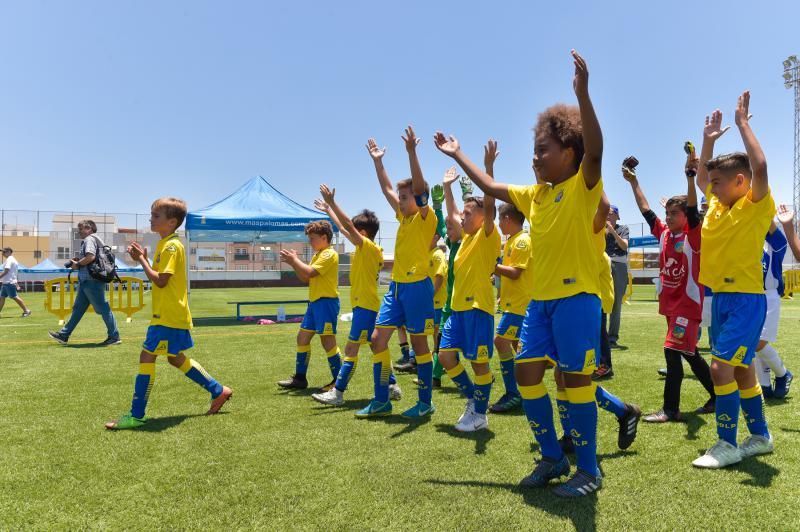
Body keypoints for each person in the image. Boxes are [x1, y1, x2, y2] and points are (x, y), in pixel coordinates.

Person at [435, 50, 605, 497]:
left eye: (543, 150)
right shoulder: (536, 195)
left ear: (570, 151)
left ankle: (588, 470)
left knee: (577, 382)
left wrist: (583, 95)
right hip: (540, 304)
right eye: (534, 151)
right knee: (528, 375)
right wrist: (459, 153)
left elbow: (597, 151)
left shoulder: (583, 184)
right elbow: (491, 187)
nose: (536, 158)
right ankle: (551, 457)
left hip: (578, 301)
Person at [692, 92, 775, 469]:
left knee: (719, 368)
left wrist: (743, 124)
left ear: (740, 182)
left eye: (718, 183)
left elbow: (760, 166)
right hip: (721, 299)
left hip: (745, 299)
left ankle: (725, 444)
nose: (711, 188)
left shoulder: (753, 206)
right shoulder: (716, 209)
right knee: (740, 369)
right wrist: (709, 139)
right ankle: (760, 437)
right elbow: (701, 178)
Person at [105, 197, 232, 429]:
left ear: (172, 222)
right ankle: (218, 390)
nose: (151, 219)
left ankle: (136, 415)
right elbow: (162, 278)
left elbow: (161, 281)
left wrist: (142, 260)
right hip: (171, 314)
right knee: (175, 358)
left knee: (147, 357)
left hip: (168, 316)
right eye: (151, 215)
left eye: (156, 216)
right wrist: (144, 259)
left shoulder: (172, 246)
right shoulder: (167, 244)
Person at [622, 153, 716, 423]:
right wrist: (633, 181)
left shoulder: (693, 236)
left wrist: (689, 177)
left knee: (672, 351)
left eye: (675, 213)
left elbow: (691, 210)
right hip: (670, 305)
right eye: (668, 213)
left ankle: (670, 409)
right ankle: (718, 396)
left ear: (686, 216)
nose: (669, 216)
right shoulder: (663, 233)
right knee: (689, 353)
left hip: (687, 305)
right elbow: (645, 209)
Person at [357, 127, 437, 419]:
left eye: (406, 197)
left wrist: (412, 152)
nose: (400, 200)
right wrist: (378, 162)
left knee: (419, 345)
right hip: (397, 288)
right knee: (377, 340)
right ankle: (382, 400)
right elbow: (386, 188)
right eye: (401, 197)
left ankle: (425, 402)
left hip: (418, 288)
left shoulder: (427, 218)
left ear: (420, 198)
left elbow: (417, 189)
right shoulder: (402, 219)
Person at [311, 185, 402, 405]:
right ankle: (391, 384)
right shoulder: (364, 248)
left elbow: (348, 227)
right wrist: (329, 211)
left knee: (352, 348)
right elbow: (344, 229)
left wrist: (333, 203)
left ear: (363, 233)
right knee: (375, 346)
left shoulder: (369, 247)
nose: (349, 234)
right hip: (366, 304)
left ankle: (338, 393)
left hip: (366, 307)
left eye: (355, 231)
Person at [436, 139, 501, 432]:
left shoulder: (488, 234)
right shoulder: (461, 241)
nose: (462, 215)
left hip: (479, 308)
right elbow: (451, 214)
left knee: (479, 365)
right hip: (458, 310)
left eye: (468, 212)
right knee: (446, 357)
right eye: (463, 212)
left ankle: (480, 415)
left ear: (484, 217)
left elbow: (489, 199)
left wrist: (488, 167)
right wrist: (448, 188)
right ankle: (475, 402)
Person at [277, 220, 342, 392]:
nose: (310, 242)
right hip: (315, 303)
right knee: (302, 338)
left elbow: (310, 272)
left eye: (313, 238)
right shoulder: (318, 254)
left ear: (324, 237)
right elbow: (306, 278)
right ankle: (300, 379)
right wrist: (293, 263)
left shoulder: (329, 254)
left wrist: (295, 260)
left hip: (326, 302)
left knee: (328, 341)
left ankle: (338, 382)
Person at [488, 202, 532, 413]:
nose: (498, 224)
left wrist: (491, 266)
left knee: (500, 341)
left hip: (519, 304)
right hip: (513, 303)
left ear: (507, 219)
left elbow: (515, 273)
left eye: (499, 219)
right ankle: (525, 391)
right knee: (518, 348)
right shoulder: (513, 241)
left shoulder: (522, 241)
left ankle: (514, 393)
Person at [48, 220, 120, 346]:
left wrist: (78, 264)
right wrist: (79, 261)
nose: (79, 231)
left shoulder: (89, 239)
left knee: (103, 308)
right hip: (89, 280)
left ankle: (114, 336)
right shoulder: (94, 239)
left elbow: (90, 257)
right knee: (78, 309)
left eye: (81, 229)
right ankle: (64, 335)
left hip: (91, 280)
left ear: (89, 228)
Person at [753, 221, 792, 398]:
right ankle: (765, 385)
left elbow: (780, 238)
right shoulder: (746, 243)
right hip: (750, 297)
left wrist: (762, 210)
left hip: (769, 296)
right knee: (756, 342)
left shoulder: (772, 245)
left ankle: (783, 374)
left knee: (758, 342)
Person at [605, 205, 629, 349]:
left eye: (611, 213)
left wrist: (612, 231)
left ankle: (612, 338)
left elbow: (624, 246)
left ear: (617, 216)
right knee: (598, 302)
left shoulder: (623, 229)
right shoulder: (599, 229)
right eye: (605, 213)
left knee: (616, 304)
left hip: (618, 265)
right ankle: (600, 336)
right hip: (601, 265)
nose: (607, 215)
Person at [0, 248, 31, 317]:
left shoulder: (10, 260)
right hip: (6, 282)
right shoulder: (10, 259)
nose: (2, 254)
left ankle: (26, 310)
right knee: (2, 297)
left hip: (9, 282)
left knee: (14, 297)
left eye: (4, 252)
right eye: (2, 252)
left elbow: (6, 271)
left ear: (9, 252)